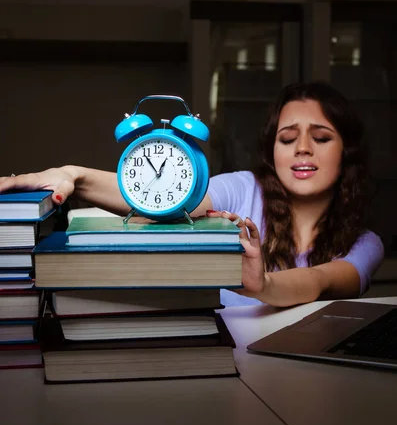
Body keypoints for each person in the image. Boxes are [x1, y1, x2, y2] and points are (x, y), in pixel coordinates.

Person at [0, 81, 384, 308]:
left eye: (320, 138)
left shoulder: (366, 244)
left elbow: (318, 281)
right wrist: (75, 175)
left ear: (346, 151)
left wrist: (263, 285)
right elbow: (166, 195)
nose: (302, 148)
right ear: (273, 151)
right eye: (287, 138)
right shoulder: (243, 188)